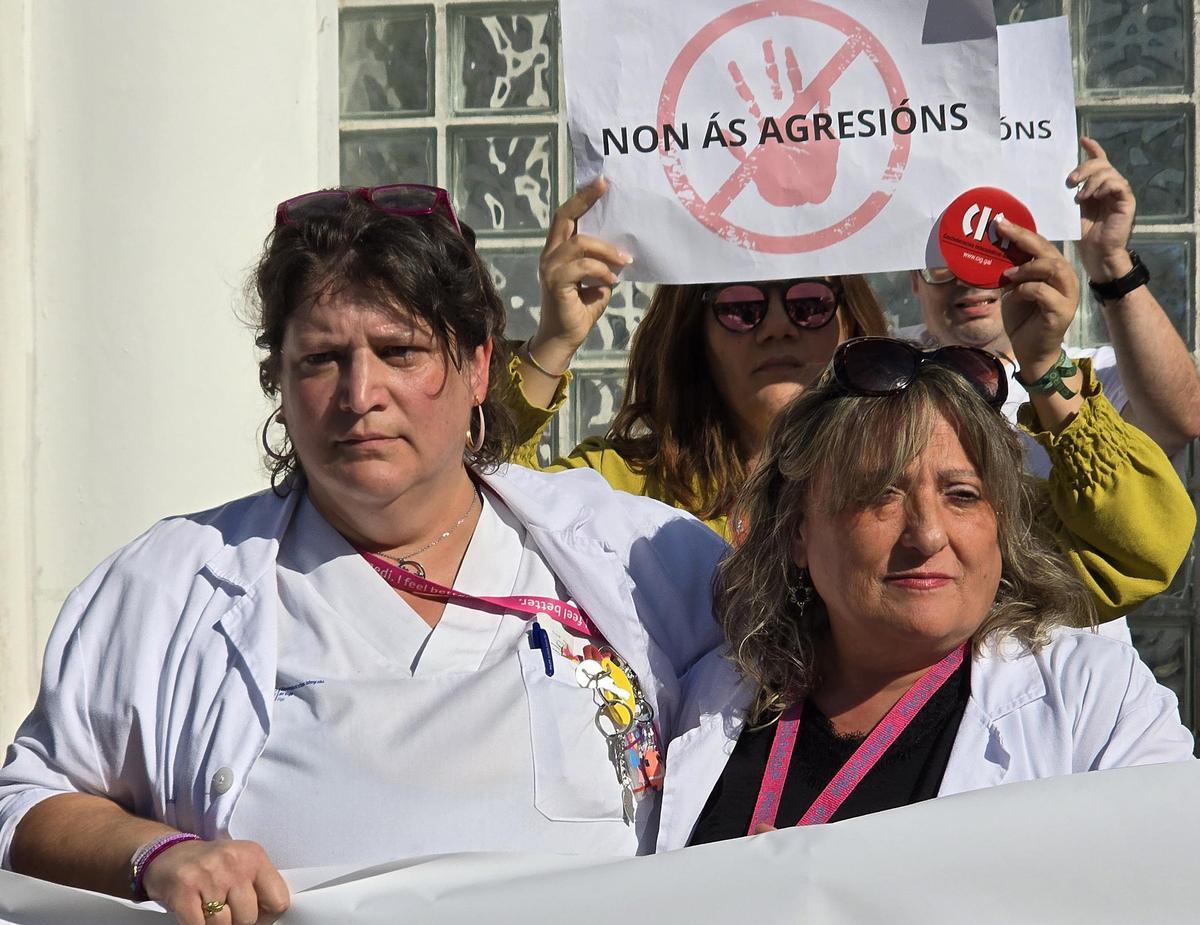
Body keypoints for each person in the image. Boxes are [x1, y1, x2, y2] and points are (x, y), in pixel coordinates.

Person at [0, 185, 727, 925]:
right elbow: (25, 807)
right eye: (321, 359)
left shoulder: (642, 558)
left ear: (478, 366)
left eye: (399, 350)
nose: (360, 392)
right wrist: (155, 855)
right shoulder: (166, 585)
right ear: (278, 385)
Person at [507, 180, 1192, 623]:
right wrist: (553, 344)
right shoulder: (633, 485)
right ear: (697, 337)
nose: (777, 326)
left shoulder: (944, 479)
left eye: (809, 305)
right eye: (742, 309)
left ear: (852, 325)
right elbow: (491, 526)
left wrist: (1044, 365)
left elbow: (1137, 549)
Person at [652, 340, 1196, 851]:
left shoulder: (1096, 701)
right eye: (878, 497)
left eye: (963, 496)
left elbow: (1166, 883)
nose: (928, 535)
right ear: (797, 531)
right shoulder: (707, 692)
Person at [906, 137, 1200, 477]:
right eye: (944, 261)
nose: (970, 278)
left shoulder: (1093, 377)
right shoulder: (877, 373)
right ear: (914, 279)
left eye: (994, 250)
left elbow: (1181, 419)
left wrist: (1110, 262)